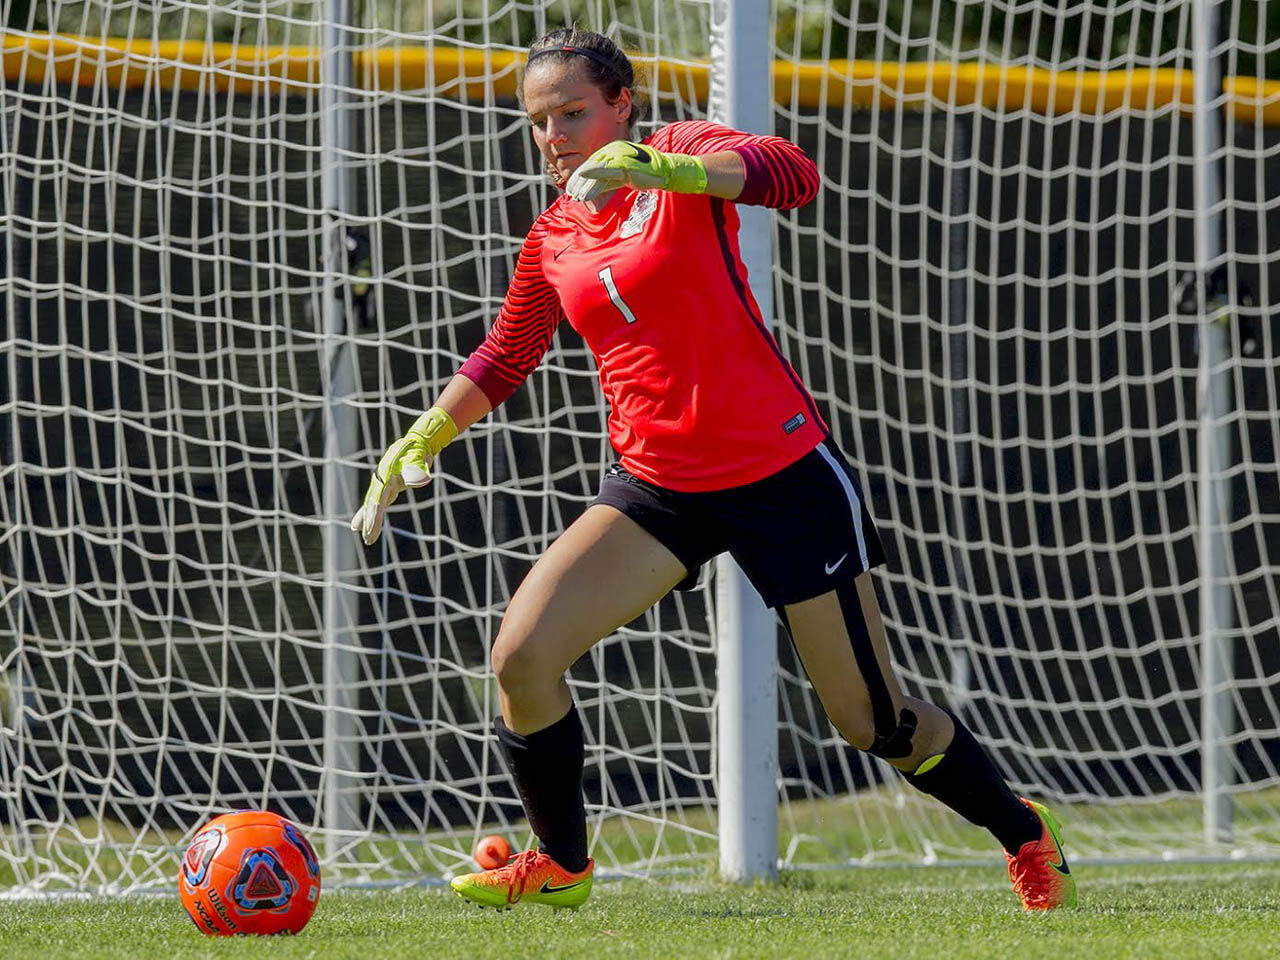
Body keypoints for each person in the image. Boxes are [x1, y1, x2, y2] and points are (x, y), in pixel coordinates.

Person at [350, 27, 1077, 913]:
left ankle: (1023, 831)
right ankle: (563, 866)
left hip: (781, 475)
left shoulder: (681, 152)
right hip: (657, 487)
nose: (554, 135)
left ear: (621, 104)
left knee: (872, 722)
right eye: (538, 121)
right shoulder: (553, 234)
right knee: (521, 659)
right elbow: (506, 354)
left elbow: (793, 175)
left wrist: (667, 171)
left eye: (572, 112)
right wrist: (425, 433)